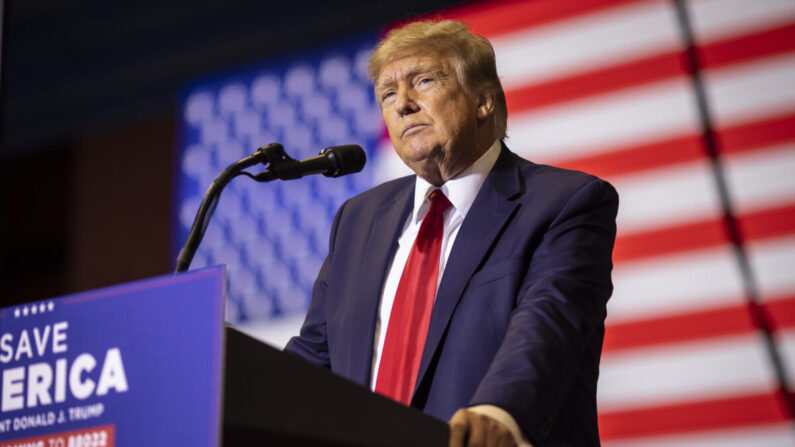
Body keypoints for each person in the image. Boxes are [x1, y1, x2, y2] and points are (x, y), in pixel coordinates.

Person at [285, 19, 618, 447]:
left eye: (423, 81)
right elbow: (314, 359)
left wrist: (499, 412)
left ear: (483, 101)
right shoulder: (357, 220)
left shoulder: (564, 204)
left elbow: (548, 323)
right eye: (388, 94)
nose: (403, 104)